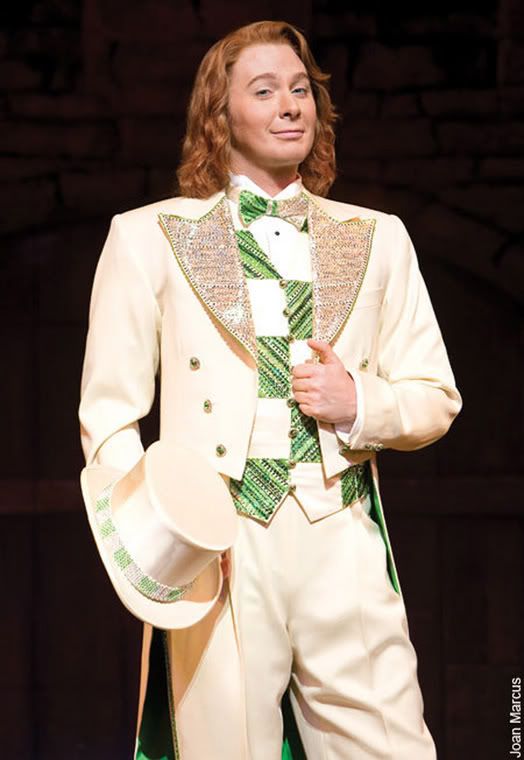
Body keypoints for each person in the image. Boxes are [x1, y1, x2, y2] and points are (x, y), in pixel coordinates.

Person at [78, 19, 462, 760]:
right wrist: (160, 546)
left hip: (339, 529)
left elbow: (435, 393)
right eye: (264, 91)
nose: (290, 105)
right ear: (219, 116)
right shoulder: (148, 236)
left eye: (300, 89)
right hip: (221, 541)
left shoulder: (377, 235)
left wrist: (360, 404)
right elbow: (109, 415)